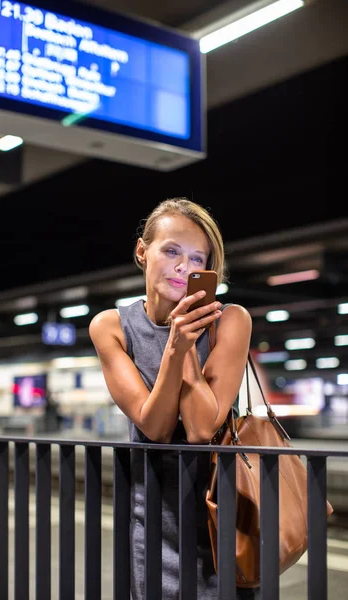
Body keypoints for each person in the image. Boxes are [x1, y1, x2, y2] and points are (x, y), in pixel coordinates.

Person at [89, 197, 257, 599]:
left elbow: (201, 428)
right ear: (142, 252)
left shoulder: (230, 320)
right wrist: (175, 346)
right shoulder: (111, 327)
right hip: (153, 514)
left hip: (225, 511)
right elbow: (155, 426)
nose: (185, 267)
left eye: (198, 259)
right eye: (171, 251)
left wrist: (187, 343)